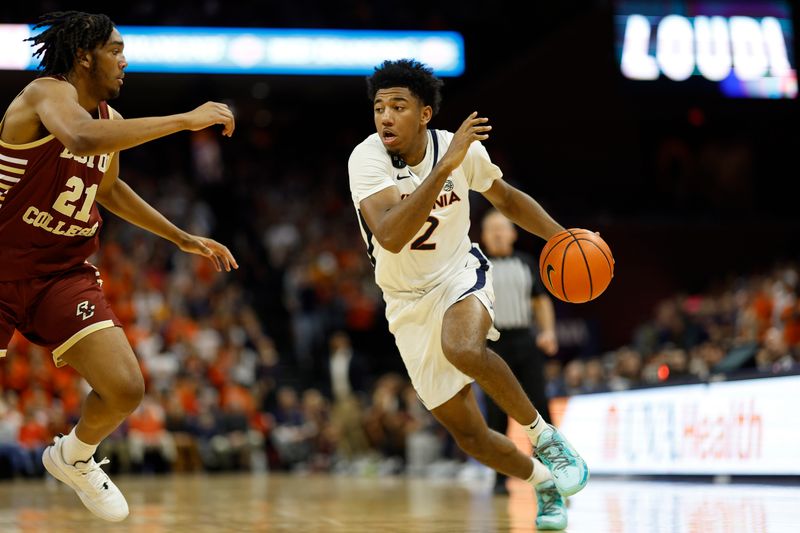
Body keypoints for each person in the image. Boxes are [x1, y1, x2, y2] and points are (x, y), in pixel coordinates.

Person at [0, 11, 237, 522]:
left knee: (126, 387)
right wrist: (182, 120)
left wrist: (181, 238)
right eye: (116, 50)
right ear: (84, 55)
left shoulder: (106, 118)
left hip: (61, 273)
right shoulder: (48, 94)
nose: (125, 61)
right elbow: (79, 139)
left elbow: (107, 189)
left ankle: (74, 456)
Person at [348, 59, 587, 530]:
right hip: (405, 301)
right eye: (379, 108)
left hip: (459, 271)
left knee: (461, 346)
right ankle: (543, 482)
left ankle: (544, 437)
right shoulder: (367, 158)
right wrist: (446, 166)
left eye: (398, 106)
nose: (385, 117)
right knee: (470, 436)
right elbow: (391, 235)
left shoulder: (455, 150)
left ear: (424, 114)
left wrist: (564, 238)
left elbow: (508, 199)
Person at [480, 209, 559, 495]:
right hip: (492, 345)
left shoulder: (526, 263)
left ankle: (550, 473)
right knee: (496, 413)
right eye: (493, 229)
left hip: (525, 341)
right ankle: (500, 478)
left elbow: (541, 302)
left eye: (504, 228)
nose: (499, 233)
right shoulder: (477, 264)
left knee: (540, 406)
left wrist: (548, 332)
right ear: (484, 235)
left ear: (514, 233)